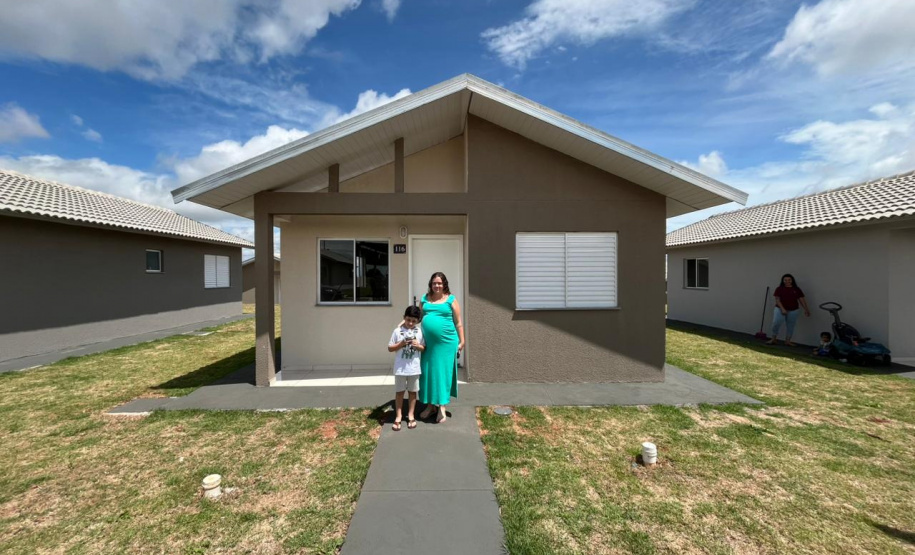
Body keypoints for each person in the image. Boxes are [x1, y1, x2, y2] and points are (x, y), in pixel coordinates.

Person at [418, 272, 464, 424]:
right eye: (434, 283)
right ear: (430, 284)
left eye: (439, 283)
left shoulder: (451, 300)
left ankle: (441, 407)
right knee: (428, 373)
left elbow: (458, 323)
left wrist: (462, 341)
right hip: (428, 344)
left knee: (442, 374)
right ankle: (430, 406)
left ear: (444, 284)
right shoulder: (424, 299)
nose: (437, 286)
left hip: (446, 343)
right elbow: (417, 318)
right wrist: (402, 326)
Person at [387, 306, 425, 430]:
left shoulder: (419, 332)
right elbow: (390, 348)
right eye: (408, 320)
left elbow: (424, 348)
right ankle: (398, 416)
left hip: (414, 368)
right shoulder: (397, 331)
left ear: (418, 321)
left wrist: (418, 345)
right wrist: (401, 344)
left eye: (413, 321)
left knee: (413, 392)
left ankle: (411, 415)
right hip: (400, 369)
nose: (410, 323)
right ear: (404, 318)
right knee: (399, 392)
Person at [767, 273, 810, 346]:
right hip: (780, 309)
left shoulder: (797, 289)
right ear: (783, 281)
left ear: (792, 280)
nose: (787, 281)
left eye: (789, 280)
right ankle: (773, 339)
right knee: (776, 323)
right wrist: (783, 309)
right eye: (785, 280)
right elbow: (777, 300)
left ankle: (788, 341)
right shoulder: (779, 289)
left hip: (793, 310)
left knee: (791, 325)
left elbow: (801, 299)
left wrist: (806, 309)